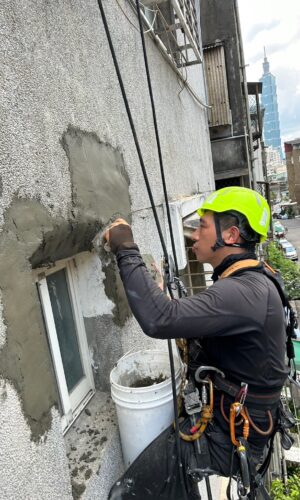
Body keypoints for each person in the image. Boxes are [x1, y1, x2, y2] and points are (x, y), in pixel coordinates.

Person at [104, 187, 288, 499]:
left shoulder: (245, 292)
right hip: (232, 418)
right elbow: (207, 321)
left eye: (202, 226)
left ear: (230, 235)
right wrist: (165, 298)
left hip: (228, 436)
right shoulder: (251, 280)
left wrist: (124, 244)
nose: (193, 236)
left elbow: (159, 320)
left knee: (126, 494)